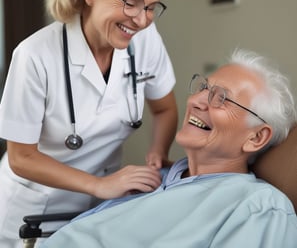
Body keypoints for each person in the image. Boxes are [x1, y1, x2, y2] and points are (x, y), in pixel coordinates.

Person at [0, 0, 178, 247]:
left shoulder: (146, 42)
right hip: (33, 210)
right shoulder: (35, 55)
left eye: (151, 7)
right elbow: (21, 157)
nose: (140, 20)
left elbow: (164, 108)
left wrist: (158, 152)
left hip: (101, 205)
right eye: (131, 2)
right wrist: (99, 185)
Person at [41, 49, 297, 248]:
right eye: (203, 88)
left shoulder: (259, 206)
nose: (196, 101)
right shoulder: (155, 180)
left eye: (221, 98)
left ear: (256, 138)